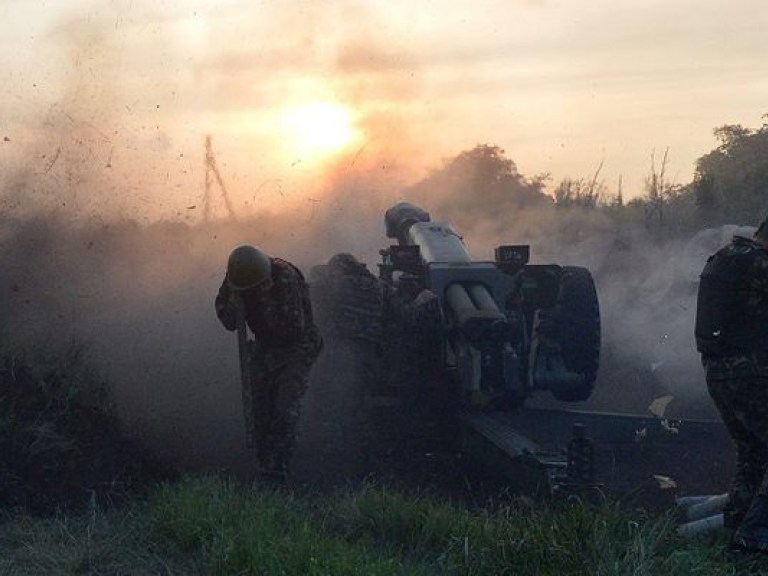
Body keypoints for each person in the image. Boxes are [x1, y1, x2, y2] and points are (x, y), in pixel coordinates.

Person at [215, 244, 322, 482]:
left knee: (284, 413)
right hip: (265, 349)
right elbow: (228, 320)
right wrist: (235, 302)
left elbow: (292, 329)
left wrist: (263, 298)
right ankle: (266, 465)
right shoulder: (237, 277)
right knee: (260, 413)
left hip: (296, 349)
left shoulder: (285, 277)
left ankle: (278, 473)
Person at [695, 216, 768, 553]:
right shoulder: (761, 267)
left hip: (721, 373)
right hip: (753, 372)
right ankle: (753, 538)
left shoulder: (730, 256)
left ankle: (735, 524)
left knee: (753, 453)